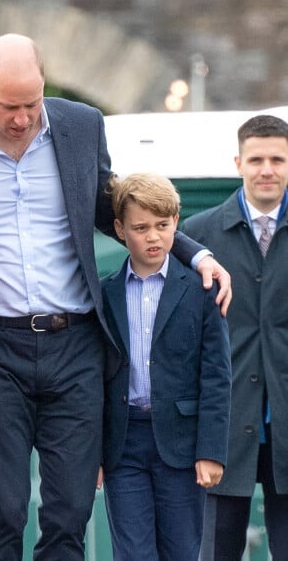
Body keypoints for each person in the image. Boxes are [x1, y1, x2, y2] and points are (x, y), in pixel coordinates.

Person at [0, 33, 232, 560]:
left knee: (69, 511)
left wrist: (192, 253)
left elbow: (117, 205)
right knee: (6, 508)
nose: (22, 118)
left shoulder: (80, 125)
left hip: (75, 347)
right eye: (9, 106)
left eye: (32, 103)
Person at [99, 173, 232, 560]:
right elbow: (94, 378)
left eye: (162, 225)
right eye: (141, 228)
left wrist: (211, 450)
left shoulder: (201, 290)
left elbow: (217, 376)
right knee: (133, 554)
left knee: (181, 551)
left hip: (183, 445)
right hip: (123, 445)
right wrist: (94, 454)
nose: (153, 237)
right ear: (121, 230)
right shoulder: (105, 293)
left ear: (176, 222)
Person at [181, 114, 288, 561]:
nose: (268, 169)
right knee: (216, 551)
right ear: (238, 163)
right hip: (221, 425)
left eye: (278, 159)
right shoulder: (197, 236)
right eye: (257, 159)